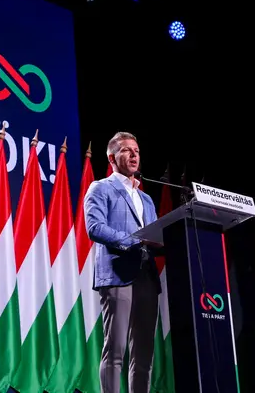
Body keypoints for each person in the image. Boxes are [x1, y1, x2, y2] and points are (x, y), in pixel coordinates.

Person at [83, 131, 160, 393]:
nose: (134, 154)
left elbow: (154, 234)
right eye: (127, 150)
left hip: (147, 276)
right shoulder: (101, 187)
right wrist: (134, 240)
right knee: (115, 351)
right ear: (112, 157)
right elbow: (94, 228)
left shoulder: (147, 199)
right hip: (118, 274)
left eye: (137, 150)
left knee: (144, 355)